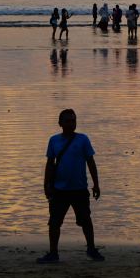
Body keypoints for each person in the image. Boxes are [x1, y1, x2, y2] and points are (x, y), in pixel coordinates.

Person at [38, 108, 103, 264]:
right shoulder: (54, 141)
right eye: (67, 120)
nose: (71, 123)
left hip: (79, 189)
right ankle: (53, 253)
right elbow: (49, 164)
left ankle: (91, 249)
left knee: (85, 220)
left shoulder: (83, 140)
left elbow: (91, 162)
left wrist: (96, 184)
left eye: (73, 120)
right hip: (59, 189)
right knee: (54, 222)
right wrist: (46, 185)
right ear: (60, 123)